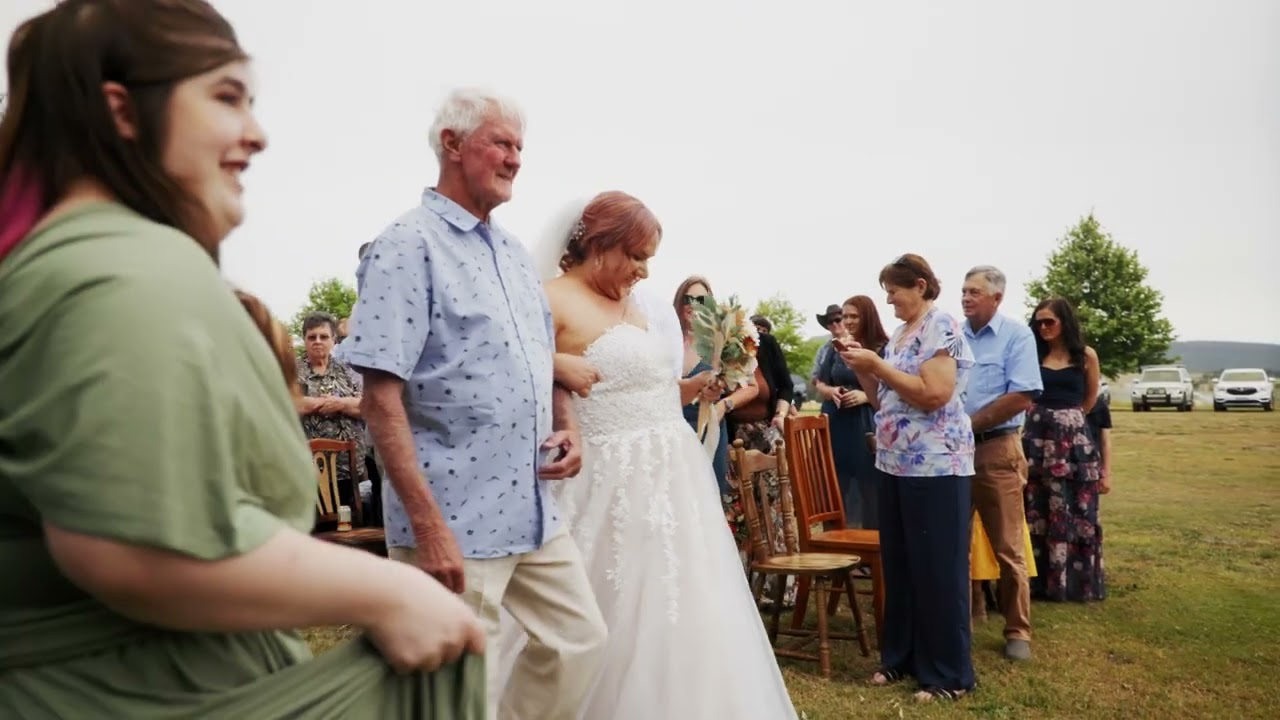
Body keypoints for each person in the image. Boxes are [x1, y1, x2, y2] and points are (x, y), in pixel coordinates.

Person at [0, 2, 484, 717]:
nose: (256, 135)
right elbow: (130, 550)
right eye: (227, 97)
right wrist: (394, 591)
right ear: (122, 112)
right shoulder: (125, 275)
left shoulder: (69, 260)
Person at [340, 88, 607, 720]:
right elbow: (380, 399)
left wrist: (566, 421)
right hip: (452, 514)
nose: (515, 158)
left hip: (532, 504)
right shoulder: (406, 245)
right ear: (452, 145)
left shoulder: (513, 255)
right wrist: (427, 526)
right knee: (456, 691)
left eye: (520, 146)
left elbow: (542, 364)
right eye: (502, 142)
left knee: (579, 642)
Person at [500, 191, 798, 719]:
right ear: (599, 244)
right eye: (635, 256)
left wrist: (695, 389)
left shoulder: (639, 309)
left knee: (683, 611)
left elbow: (646, 388)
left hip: (671, 476)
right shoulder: (549, 298)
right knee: (601, 610)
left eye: (648, 259)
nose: (642, 271)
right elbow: (512, 369)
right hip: (604, 481)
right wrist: (555, 374)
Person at [839, 254, 976, 703]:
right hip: (896, 463)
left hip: (937, 464)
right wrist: (863, 364)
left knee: (938, 568)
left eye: (894, 292)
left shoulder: (943, 327)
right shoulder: (899, 334)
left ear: (919, 286)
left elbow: (935, 395)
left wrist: (879, 367)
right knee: (901, 565)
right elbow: (883, 401)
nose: (890, 301)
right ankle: (901, 658)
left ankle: (948, 674)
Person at [959, 266, 1043, 661]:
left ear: (997, 297)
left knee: (1007, 546)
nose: (966, 297)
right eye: (963, 291)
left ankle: (1018, 632)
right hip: (952, 453)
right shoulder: (953, 335)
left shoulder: (1016, 336)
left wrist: (968, 424)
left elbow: (1022, 395)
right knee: (953, 542)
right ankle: (959, 622)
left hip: (996, 450)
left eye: (974, 291)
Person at [1024, 297, 1106, 602]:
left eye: (1049, 322)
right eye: (1038, 322)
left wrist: (1068, 420)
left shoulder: (1085, 356)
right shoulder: (1033, 353)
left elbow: (1090, 399)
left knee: (1075, 511)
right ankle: (1037, 582)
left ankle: (1073, 583)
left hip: (1072, 445)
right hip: (1035, 439)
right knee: (1036, 507)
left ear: (1064, 323)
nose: (1043, 327)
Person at [813, 295, 889, 529]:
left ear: (868, 316)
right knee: (836, 482)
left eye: (853, 316)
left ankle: (870, 544)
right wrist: (832, 391)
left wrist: (865, 396)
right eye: (845, 316)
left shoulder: (882, 347)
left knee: (869, 485)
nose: (847, 321)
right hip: (837, 422)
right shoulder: (837, 348)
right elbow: (820, 381)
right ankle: (838, 541)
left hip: (866, 423)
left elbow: (891, 386)